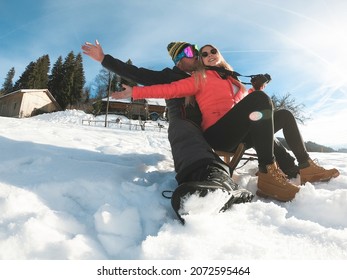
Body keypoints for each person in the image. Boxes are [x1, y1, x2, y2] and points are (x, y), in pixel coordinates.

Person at [112, 44, 340, 203]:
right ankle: (268, 174)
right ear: (200, 61)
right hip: (217, 134)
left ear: (220, 55)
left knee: (283, 115)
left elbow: (245, 107)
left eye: (213, 51)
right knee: (261, 102)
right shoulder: (198, 78)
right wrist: (136, 92)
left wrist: (257, 89)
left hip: (236, 131)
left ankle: (305, 167)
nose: (209, 54)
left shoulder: (232, 80)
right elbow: (169, 89)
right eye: (204, 53)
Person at [82, 41, 254, 223]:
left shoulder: (208, 74)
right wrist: (104, 59)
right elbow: (139, 73)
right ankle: (212, 179)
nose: (195, 54)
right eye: (189, 51)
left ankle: (275, 167)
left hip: (212, 126)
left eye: (196, 51)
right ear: (178, 60)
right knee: (183, 130)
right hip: (186, 121)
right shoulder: (170, 75)